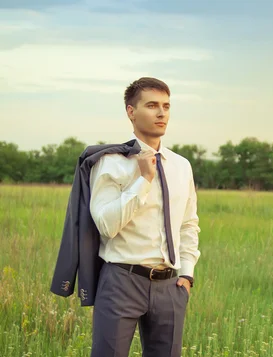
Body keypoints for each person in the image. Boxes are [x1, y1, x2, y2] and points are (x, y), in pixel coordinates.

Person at [88, 77, 201, 357]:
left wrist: (187, 275)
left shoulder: (181, 166)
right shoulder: (110, 162)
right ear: (131, 111)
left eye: (166, 106)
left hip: (170, 286)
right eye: (152, 105)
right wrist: (143, 180)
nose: (161, 113)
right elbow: (105, 225)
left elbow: (188, 224)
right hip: (121, 281)